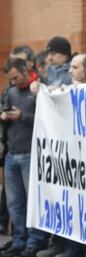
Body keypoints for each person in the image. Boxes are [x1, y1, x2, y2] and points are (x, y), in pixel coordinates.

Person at [0, 58, 47, 257]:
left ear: (25, 71)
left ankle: (34, 240)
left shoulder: (37, 92)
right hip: (12, 153)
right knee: (15, 202)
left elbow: (45, 120)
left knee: (32, 201)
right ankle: (19, 239)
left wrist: (22, 117)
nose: (14, 82)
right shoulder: (11, 92)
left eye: (16, 77)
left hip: (30, 153)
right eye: (10, 79)